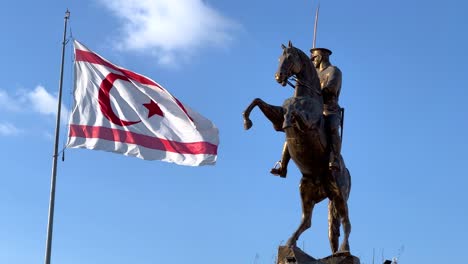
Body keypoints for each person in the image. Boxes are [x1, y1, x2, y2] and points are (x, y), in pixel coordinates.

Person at [270, 47, 343, 177]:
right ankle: (283, 165)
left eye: (314, 58)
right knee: (292, 127)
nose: (312, 61)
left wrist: (314, 90)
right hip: (311, 109)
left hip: (328, 110)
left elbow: (331, 89)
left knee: (332, 127)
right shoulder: (312, 73)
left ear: (320, 57)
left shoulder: (334, 71)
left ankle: (334, 158)